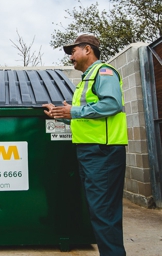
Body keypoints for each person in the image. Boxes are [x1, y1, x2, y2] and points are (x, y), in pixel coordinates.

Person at [43, 34, 128, 256]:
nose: (71, 56)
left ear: (87, 50)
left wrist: (73, 111)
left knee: (103, 213)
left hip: (103, 151)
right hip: (91, 150)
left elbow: (111, 105)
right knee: (101, 212)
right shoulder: (87, 79)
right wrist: (61, 114)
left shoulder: (104, 72)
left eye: (73, 51)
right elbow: (84, 116)